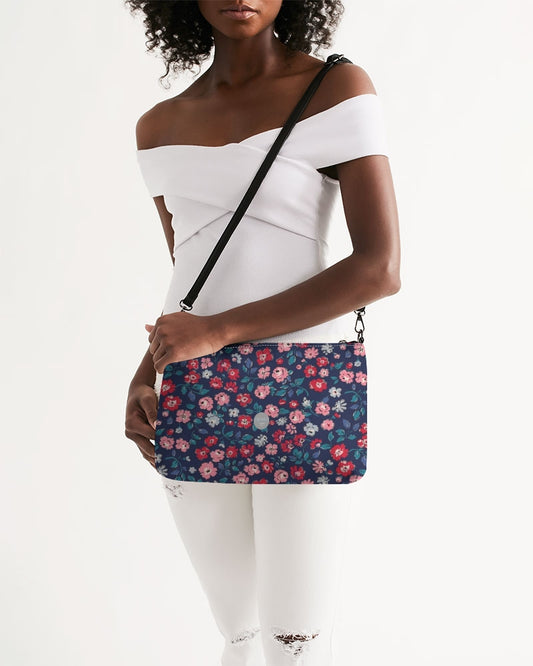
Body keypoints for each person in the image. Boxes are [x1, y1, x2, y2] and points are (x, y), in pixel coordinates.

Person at [124, 1, 401, 664]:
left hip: (305, 386)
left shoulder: (335, 88)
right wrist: (145, 371)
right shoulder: (158, 126)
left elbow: (379, 268)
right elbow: (192, 272)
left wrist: (218, 332)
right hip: (192, 385)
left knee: (294, 640)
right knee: (238, 632)